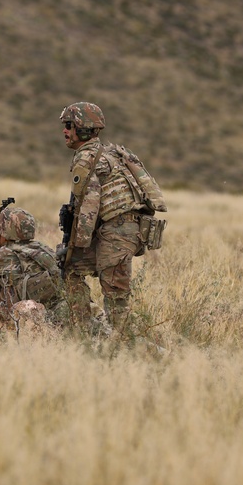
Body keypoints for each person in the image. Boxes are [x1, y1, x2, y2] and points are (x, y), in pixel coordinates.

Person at [58, 101, 165, 336]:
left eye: (68, 125)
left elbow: (88, 206)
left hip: (117, 231)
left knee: (115, 293)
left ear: (82, 128)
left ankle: (122, 343)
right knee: (73, 271)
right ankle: (86, 331)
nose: (64, 131)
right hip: (122, 229)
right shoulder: (111, 153)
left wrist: (73, 245)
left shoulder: (87, 158)